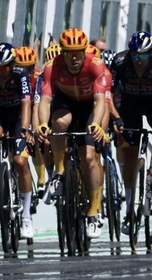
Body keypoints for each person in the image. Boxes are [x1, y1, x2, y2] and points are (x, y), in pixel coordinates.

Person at [37, 28, 113, 240]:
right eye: (68, 53)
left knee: (89, 157)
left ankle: (94, 211)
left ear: (84, 52)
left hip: (90, 107)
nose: (73, 58)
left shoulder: (96, 66)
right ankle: (60, 174)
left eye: (78, 53)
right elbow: (44, 101)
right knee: (58, 123)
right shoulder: (52, 67)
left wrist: (97, 125)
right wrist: (43, 123)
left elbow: (101, 101)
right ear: (61, 52)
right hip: (67, 103)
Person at [109, 31, 152, 233]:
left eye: (143, 56)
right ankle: (130, 210)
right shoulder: (120, 61)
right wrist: (116, 117)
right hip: (129, 103)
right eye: (135, 56)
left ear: (150, 54)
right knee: (130, 154)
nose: (139, 60)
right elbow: (108, 93)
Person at [0, 43, 37, 240]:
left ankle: (26, 216)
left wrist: (26, 129)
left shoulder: (21, 75)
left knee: (20, 162)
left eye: (5, 68)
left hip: (18, 116)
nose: (1, 73)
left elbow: (27, 103)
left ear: (12, 65)